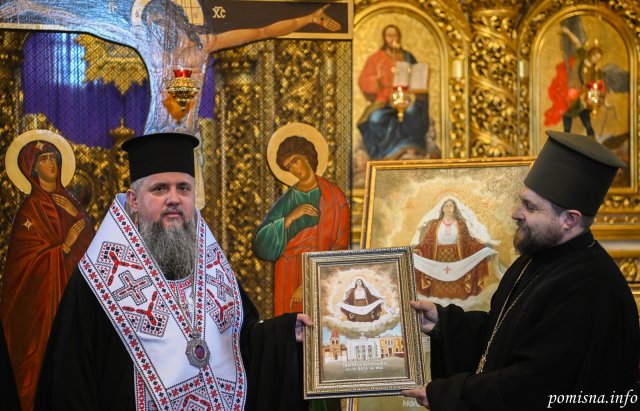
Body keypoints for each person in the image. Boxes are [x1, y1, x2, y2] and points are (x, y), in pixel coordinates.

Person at [34, 133, 313, 411]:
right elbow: (69, 379)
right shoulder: (100, 279)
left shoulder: (212, 266)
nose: (174, 199)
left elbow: (240, 343)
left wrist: (283, 333)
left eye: (183, 188)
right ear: (133, 200)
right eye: (159, 189)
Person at [401, 130, 639, 410]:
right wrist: (444, 323)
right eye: (521, 200)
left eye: (530, 206)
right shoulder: (533, 260)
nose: (515, 212)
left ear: (569, 219)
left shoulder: (590, 289)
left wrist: (449, 394)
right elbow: (501, 336)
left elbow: (534, 386)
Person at [0, 0, 341, 134]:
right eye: (152, 26)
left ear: (177, 22)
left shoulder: (203, 44)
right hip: (156, 136)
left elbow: (262, 31)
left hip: (185, 139)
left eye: (162, 25)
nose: (157, 32)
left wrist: (308, 17)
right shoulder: (150, 46)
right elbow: (87, 20)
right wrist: (30, 7)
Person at [1, 135, 94, 411]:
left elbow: (92, 252)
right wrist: (62, 248)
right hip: (41, 308)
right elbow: (22, 268)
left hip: (72, 299)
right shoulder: (29, 210)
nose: (51, 164)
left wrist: (78, 217)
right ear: (32, 168)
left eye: (54, 158)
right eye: (43, 160)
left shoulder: (72, 204)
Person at [253, 135, 350, 316]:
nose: (294, 169)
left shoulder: (334, 197)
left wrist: (309, 279)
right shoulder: (289, 199)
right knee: (289, 322)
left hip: (320, 271)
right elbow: (261, 244)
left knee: (319, 319)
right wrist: (291, 217)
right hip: (288, 270)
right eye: (289, 167)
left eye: (295, 161)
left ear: (307, 156)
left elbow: (340, 245)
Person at [357, 24, 429, 160]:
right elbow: (364, 80)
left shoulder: (407, 57)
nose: (392, 38)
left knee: (412, 113)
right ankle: (384, 155)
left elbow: (417, 76)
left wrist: (415, 89)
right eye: (389, 35)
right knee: (375, 119)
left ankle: (409, 146)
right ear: (384, 38)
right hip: (384, 100)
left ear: (399, 37)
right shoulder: (376, 58)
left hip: (407, 99)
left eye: (395, 35)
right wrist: (377, 80)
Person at [412, 197, 497, 300]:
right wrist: (417, 251)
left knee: (458, 295)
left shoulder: (461, 224)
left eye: (450, 205)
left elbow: (469, 243)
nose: (448, 208)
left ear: (455, 208)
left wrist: (480, 248)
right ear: (442, 209)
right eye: (446, 206)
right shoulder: (435, 225)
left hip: (458, 263)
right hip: (438, 262)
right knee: (437, 295)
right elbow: (427, 244)